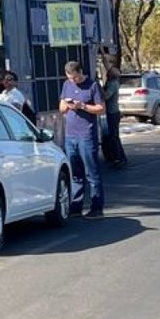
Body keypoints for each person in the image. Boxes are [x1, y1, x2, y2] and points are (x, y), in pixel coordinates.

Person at [59, 59, 106, 217]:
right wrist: (67, 105)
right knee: (75, 173)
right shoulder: (67, 85)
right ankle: (76, 206)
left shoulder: (93, 86)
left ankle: (97, 207)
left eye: (76, 78)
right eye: (70, 78)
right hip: (70, 134)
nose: (74, 81)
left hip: (86, 134)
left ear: (81, 72)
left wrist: (84, 106)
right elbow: (61, 107)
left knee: (91, 172)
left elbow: (100, 109)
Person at [97, 47, 126, 169]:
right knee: (113, 135)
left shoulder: (113, 84)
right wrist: (103, 53)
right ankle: (119, 157)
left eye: (111, 71)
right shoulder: (112, 79)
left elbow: (106, 96)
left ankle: (119, 158)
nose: (108, 71)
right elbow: (106, 64)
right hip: (112, 111)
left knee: (114, 136)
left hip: (113, 112)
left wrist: (98, 87)